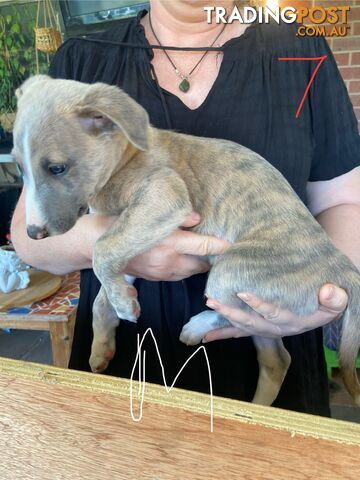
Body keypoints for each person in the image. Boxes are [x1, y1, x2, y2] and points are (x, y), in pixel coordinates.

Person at [11, 0, 360, 416]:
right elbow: (30, 237)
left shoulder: (300, 50)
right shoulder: (81, 57)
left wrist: (321, 300)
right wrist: (110, 246)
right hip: (133, 357)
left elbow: (343, 200)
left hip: (269, 296)